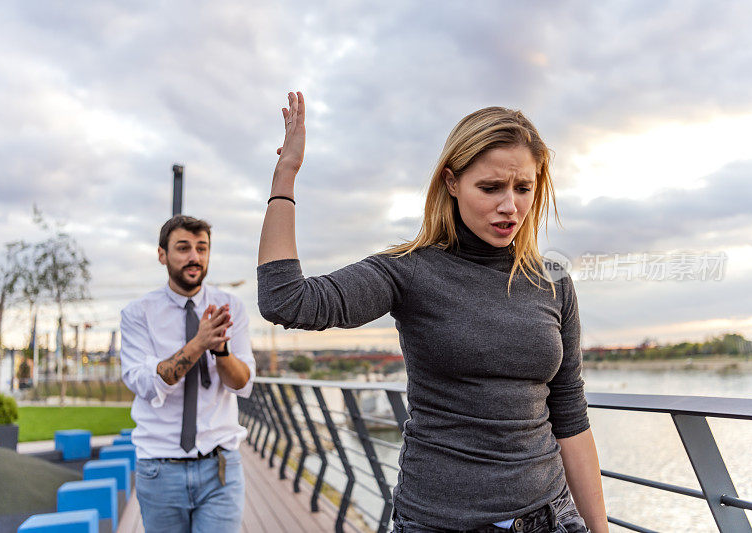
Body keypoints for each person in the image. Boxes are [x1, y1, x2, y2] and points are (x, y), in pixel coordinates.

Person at [256, 92, 609, 533]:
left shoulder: (553, 280)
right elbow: (285, 300)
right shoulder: (409, 271)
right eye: (490, 187)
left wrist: (600, 530)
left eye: (523, 188)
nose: (510, 206)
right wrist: (284, 178)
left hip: (550, 517)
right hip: (440, 522)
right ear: (451, 182)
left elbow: (570, 415)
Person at [120, 215, 256, 533]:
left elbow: (242, 383)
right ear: (162, 254)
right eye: (183, 248)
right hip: (159, 468)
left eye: (202, 248)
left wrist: (220, 350)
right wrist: (199, 343)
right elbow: (144, 383)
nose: (194, 257)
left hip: (220, 467)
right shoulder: (137, 314)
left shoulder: (230, 307)